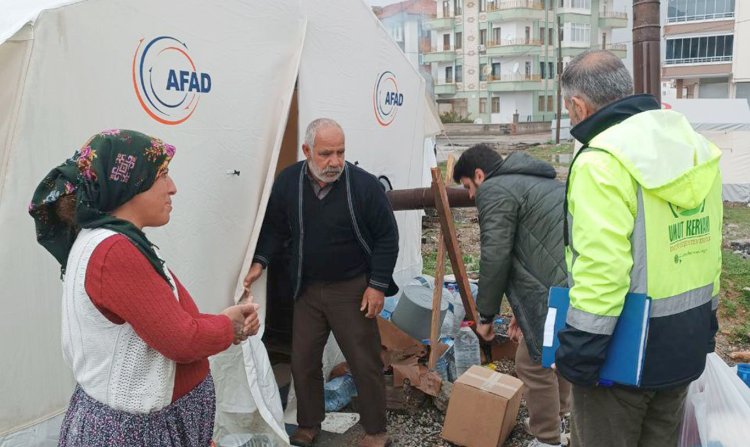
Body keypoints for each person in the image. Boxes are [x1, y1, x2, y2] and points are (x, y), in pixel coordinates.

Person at [29, 130, 260, 447]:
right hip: (138, 433)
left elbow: (171, 321)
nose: (173, 187)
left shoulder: (112, 241)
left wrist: (223, 321)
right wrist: (227, 326)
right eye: (162, 175)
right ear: (128, 183)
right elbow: (181, 340)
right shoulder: (114, 252)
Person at [555, 50, 723, 447]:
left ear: (578, 105)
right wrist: (708, 328)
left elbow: (603, 268)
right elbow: (707, 251)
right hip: (684, 344)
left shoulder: (602, 161)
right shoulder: (697, 149)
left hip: (622, 356)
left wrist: (579, 352)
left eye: (567, 109)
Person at [244, 118, 398, 447]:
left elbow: (388, 236)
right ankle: (309, 423)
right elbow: (275, 229)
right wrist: (261, 261)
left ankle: (375, 430)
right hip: (308, 289)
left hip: (352, 288)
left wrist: (378, 285)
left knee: (364, 360)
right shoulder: (289, 182)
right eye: (326, 153)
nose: (335, 162)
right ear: (307, 151)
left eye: (341, 152)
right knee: (303, 359)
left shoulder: (363, 186)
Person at [453, 144, 571, 447]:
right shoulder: (539, 181)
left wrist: (487, 315)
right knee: (561, 353)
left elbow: (496, 255)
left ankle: (547, 438)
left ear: (479, 175)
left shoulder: (494, 189)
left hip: (550, 287)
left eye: (468, 186)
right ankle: (564, 419)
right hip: (571, 283)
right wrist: (521, 313)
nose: (469, 195)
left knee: (533, 361)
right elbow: (535, 248)